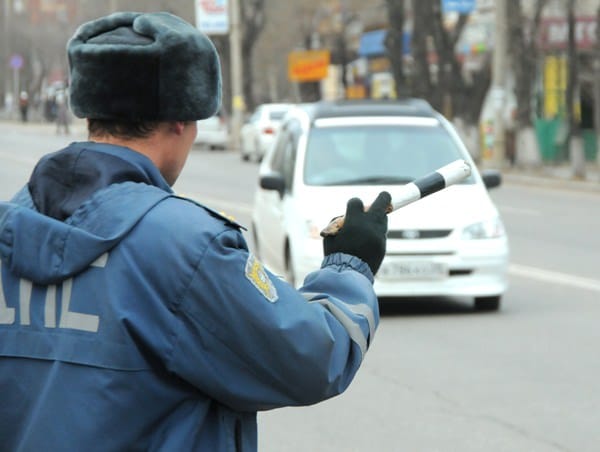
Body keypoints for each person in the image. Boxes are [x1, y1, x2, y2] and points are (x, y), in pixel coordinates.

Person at [0, 11, 390, 452]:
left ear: (91, 112)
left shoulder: (11, 223)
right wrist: (349, 266)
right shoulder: (185, 247)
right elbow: (312, 357)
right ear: (182, 121)